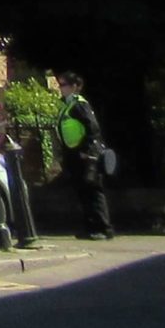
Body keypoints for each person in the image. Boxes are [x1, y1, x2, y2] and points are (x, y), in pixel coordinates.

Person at [56, 73, 113, 239]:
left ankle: (103, 228)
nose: (61, 88)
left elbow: (93, 129)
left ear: (75, 86)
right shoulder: (69, 105)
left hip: (85, 155)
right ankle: (90, 227)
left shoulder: (80, 105)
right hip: (74, 154)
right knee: (83, 192)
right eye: (60, 85)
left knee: (93, 191)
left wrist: (87, 150)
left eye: (64, 85)